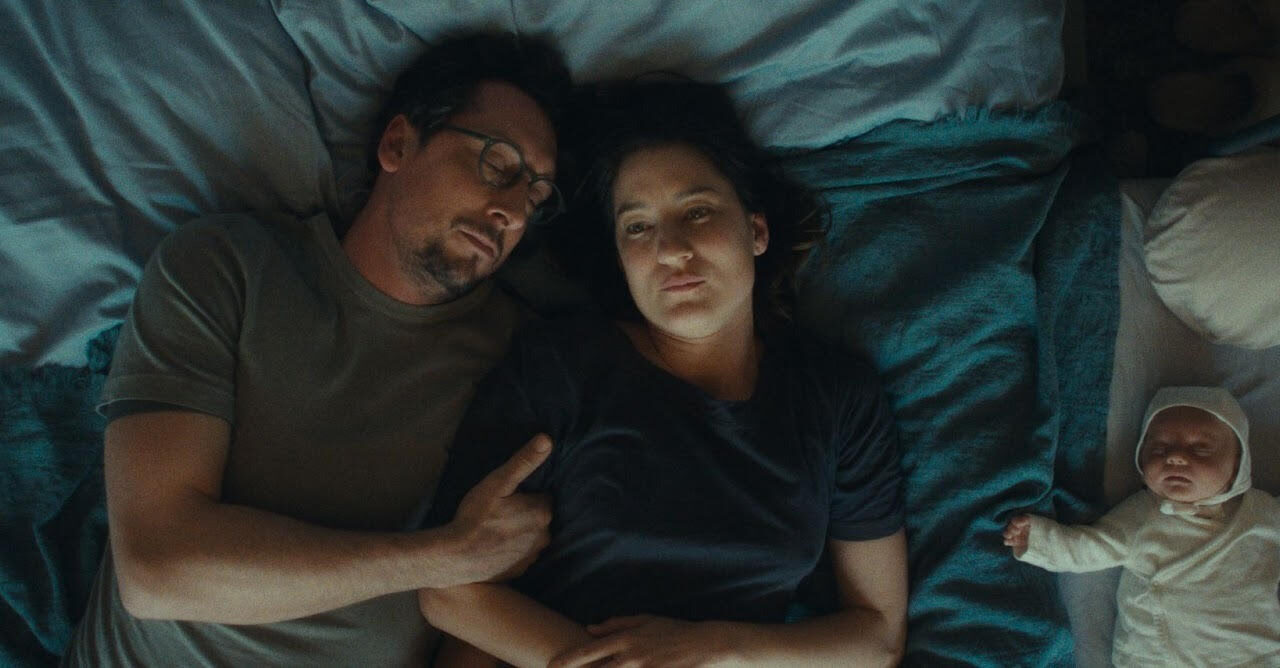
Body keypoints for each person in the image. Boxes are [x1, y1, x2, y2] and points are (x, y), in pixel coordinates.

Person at [63, 32, 572, 665]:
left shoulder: (527, 357)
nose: (512, 212)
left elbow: (491, 593)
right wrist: (439, 556)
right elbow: (156, 570)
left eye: (535, 196)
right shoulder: (228, 267)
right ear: (397, 144)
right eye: (497, 165)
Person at [417, 80, 909, 668]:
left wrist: (719, 646)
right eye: (638, 227)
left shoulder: (836, 399)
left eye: (697, 212)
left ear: (756, 230)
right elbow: (448, 590)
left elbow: (878, 637)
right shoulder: (561, 366)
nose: (671, 249)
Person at [1003, 386, 1280, 667]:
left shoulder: (1263, 514)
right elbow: (1092, 548)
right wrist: (1039, 539)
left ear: (1237, 464)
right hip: (1157, 657)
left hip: (1252, 655)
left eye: (1200, 449)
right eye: (1159, 449)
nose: (1176, 457)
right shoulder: (1144, 515)